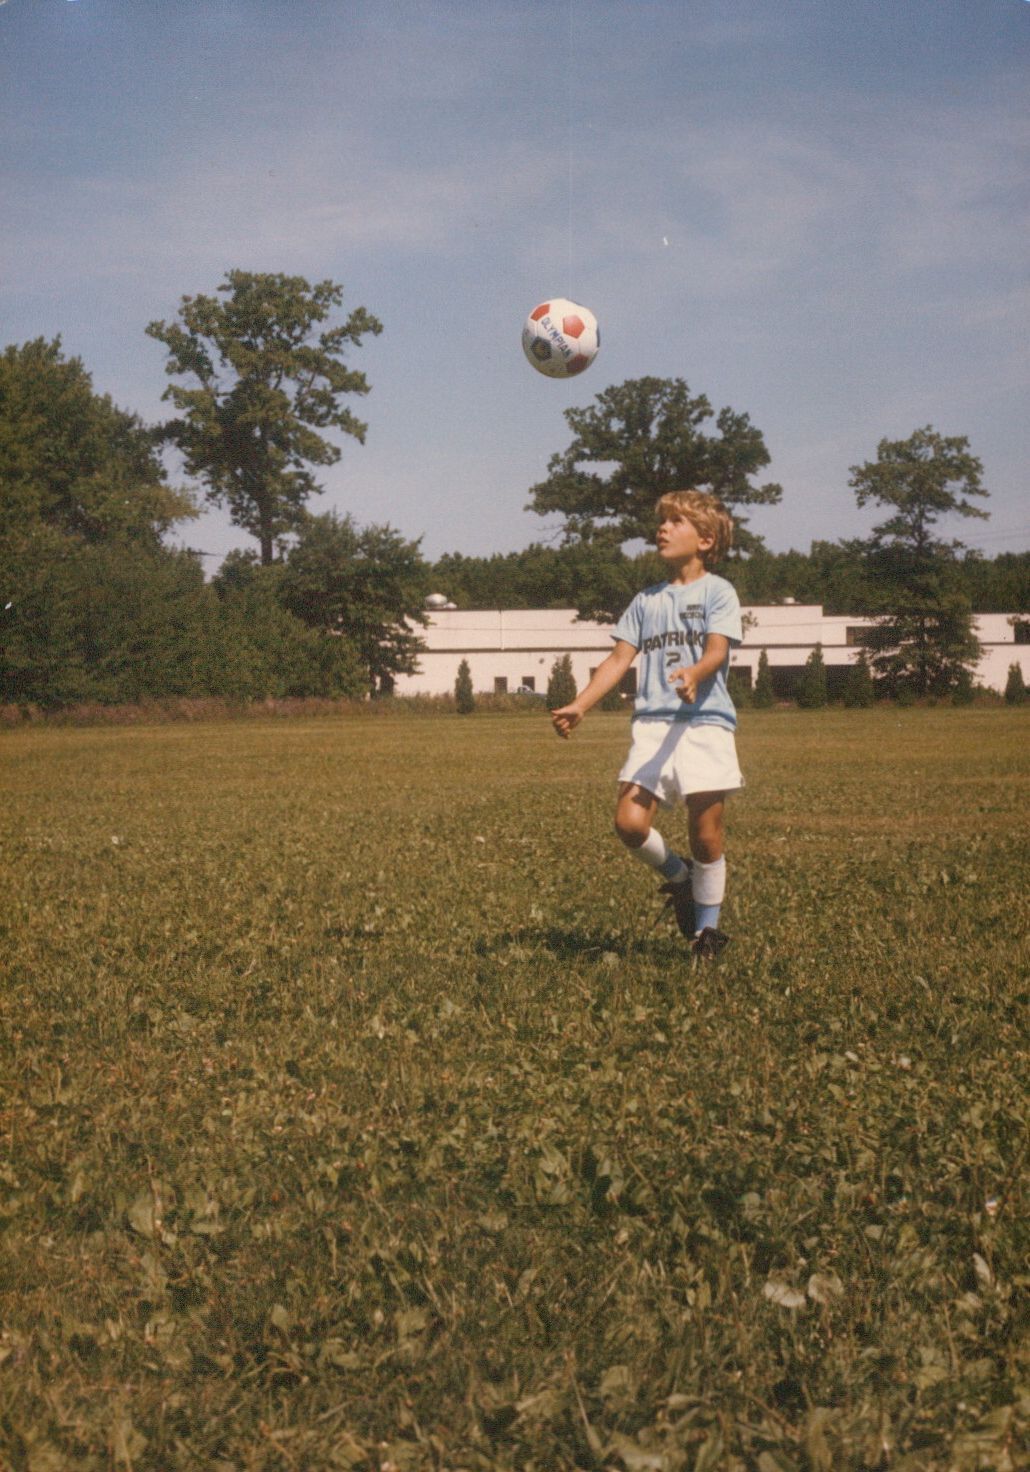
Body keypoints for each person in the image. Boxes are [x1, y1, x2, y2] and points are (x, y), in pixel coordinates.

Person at [551, 489, 743, 958]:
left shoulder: (718, 592)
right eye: (662, 521)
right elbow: (619, 660)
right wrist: (581, 704)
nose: (663, 528)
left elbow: (717, 651)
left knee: (706, 834)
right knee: (629, 823)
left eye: (676, 522)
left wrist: (695, 674)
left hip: (705, 724)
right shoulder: (645, 600)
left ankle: (706, 935)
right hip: (653, 726)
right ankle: (680, 878)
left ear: (705, 540)